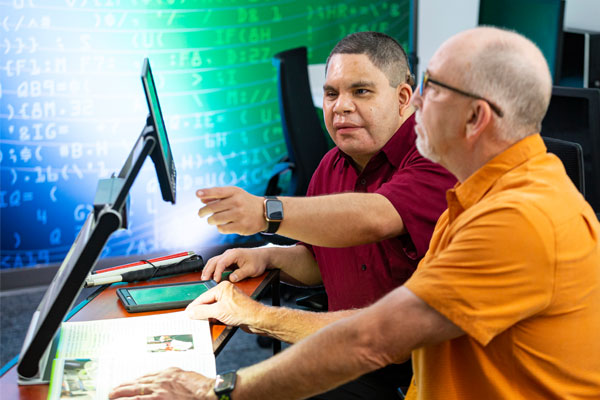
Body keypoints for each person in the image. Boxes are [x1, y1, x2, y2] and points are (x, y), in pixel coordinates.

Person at [110, 26, 600, 400]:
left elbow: (374, 338)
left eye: (432, 89)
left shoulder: (517, 219)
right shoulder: (479, 197)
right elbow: (354, 291)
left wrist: (217, 386)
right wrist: (276, 256)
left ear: (476, 118)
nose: (419, 104)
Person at [196, 31, 455, 397]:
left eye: (360, 92)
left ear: (402, 98)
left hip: (423, 362)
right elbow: (320, 261)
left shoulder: (437, 155)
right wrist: (267, 256)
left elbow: (377, 216)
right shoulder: (331, 164)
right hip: (353, 349)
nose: (341, 106)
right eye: (332, 93)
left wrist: (266, 212)